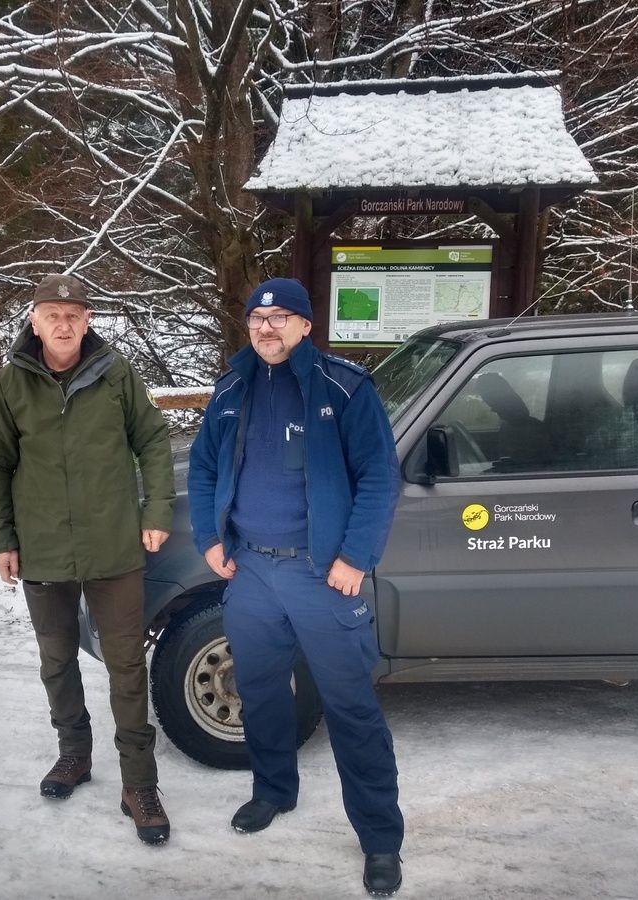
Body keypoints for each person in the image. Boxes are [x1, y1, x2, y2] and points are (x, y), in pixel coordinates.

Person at [187, 277, 405, 895]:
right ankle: (274, 791)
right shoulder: (231, 388)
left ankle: (380, 839)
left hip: (322, 575)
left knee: (351, 709)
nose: (268, 328)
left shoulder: (344, 388)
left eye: (282, 317)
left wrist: (354, 558)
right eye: (258, 319)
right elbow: (204, 468)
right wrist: (210, 537)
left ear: (306, 325)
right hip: (251, 571)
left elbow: (378, 479)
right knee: (260, 693)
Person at [0, 273, 175, 845]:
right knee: (57, 660)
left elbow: (152, 440)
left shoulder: (117, 373)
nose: (63, 324)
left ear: (88, 320)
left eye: (74, 314)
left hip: (113, 544)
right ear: (34, 320)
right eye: (52, 314)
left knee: (126, 666)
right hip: (41, 547)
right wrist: (2, 538)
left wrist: (155, 509)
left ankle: (138, 782)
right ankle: (74, 755)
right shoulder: (12, 383)